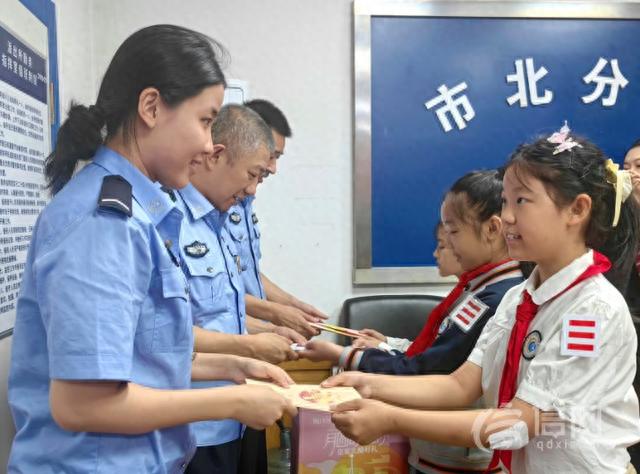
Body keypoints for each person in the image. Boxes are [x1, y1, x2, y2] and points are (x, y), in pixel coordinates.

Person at [7, 25, 296, 474]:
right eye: (204, 120)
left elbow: (145, 358)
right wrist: (234, 400)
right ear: (152, 107)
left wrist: (236, 367)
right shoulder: (104, 223)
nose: (207, 144)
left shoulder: (143, 214)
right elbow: (83, 404)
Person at [325, 125, 640, 474]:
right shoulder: (519, 299)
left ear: (576, 210)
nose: (506, 217)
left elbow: (517, 424)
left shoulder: (592, 311)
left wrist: (391, 419)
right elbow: (459, 385)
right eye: (505, 201)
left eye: (521, 200)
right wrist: (365, 383)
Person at [302, 171, 525, 473]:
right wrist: (377, 354)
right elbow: (434, 355)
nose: (447, 245)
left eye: (453, 233)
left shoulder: (495, 299)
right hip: (440, 448)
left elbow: (433, 370)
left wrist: (349, 361)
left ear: (492, 229)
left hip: (457, 456)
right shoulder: (478, 290)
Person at [171, 103, 298, 474]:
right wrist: (252, 344)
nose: (253, 189)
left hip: (238, 411)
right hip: (198, 422)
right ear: (217, 155)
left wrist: (269, 332)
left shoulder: (222, 218)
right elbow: (169, 336)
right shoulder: (168, 221)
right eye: (254, 174)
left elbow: (228, 310)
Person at [226, 99, 327, 340]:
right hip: (233, 341)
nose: (272, 168)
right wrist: (276, 316)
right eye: (271, 156)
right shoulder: (217, 202)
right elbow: (214, 295)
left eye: (277, 157)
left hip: (251, 336)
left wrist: (292, 305)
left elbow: (246, 273)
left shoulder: (244, 200)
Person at [352, 221, 463, 352]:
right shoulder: (459, 295)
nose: (435, 254)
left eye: (441, 246)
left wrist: (383, 347)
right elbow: (425, 350)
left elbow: (436, 361)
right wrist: (387, 341)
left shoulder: (475, 302)